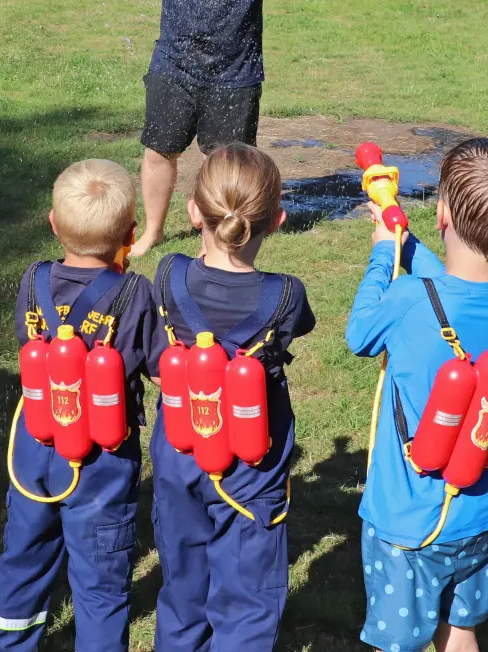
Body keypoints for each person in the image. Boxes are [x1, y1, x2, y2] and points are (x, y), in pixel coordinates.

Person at [345, 138, 488, 652]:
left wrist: (385, 252)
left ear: (441, 214)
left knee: (397, 645)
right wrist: (405, 241)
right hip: (474, 518)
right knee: (458, 632)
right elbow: (451, 285)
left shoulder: (408, 297)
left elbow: (359, 334)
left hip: (406, 522)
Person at [0, 159, 160, 652]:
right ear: (130, 233)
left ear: (53, 224)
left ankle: (7, 646)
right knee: (101, 581)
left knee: (23, 557)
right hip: (103, 460)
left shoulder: (34, 279)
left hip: (36, 448)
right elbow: (157, 367)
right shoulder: (135, 293)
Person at [103, 0, 321, 257]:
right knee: (160, 152)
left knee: (227, 164)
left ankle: (221, 239)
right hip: (174, 66)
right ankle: (153, 233)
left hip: (235, 72)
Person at [149, 143, 316, 651]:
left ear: (192, 211)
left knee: (182, 588)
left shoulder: (168, 274)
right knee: (247, 601)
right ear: (277, 221)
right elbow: (300, 328)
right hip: (251, 467)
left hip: (180, 455)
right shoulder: (286, 295)